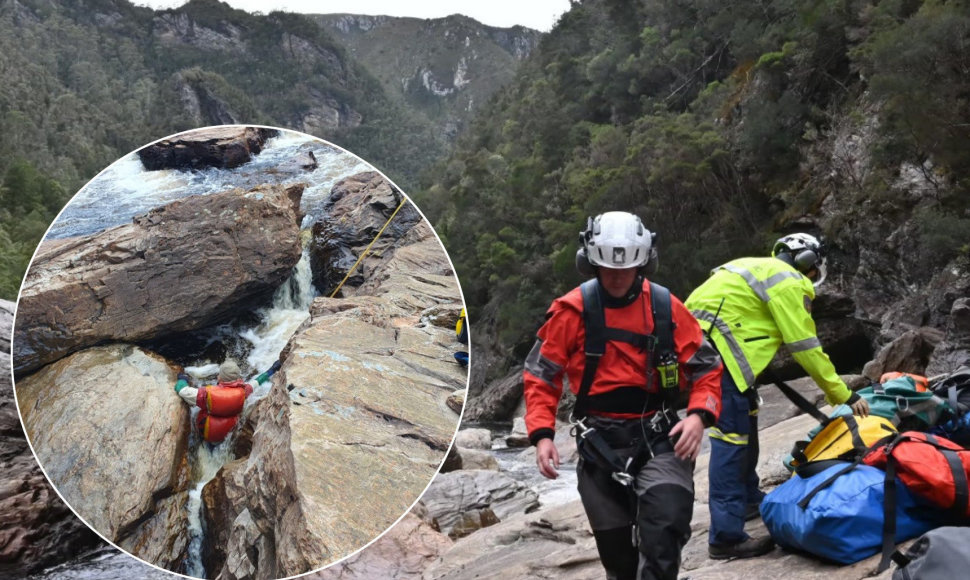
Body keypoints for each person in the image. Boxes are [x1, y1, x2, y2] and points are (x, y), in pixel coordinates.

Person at [523, 212, 722, 580]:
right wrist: (542, 435)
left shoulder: (666, 307)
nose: (616, 277)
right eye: (607, 268)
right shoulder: (571, 311)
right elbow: (541, 375)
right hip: (600, 443)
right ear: (590, 263)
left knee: (664, 530)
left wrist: (698, 415)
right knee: (619, 561)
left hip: (661, 438)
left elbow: (707, 367)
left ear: (643, 262)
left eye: (627, 268)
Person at [684, 233, 870, 559]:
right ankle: (725, 537)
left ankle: (747, 500)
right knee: (731, 442)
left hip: (700, 350)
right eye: (813, 269)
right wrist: (843, 394)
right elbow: (805, 346)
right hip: (718, 359)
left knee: (745, 425)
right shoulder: (789, 281)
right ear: (808, 262)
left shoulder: (749, 266)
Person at [174, 358, 282, 444]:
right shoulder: (244, 391)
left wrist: (182, 379)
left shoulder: (206, 394)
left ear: (219, 378)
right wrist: (272, 370)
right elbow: (257, 382)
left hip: (208, 432)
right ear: (237, 377)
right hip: (227, 434)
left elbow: (183, 391)